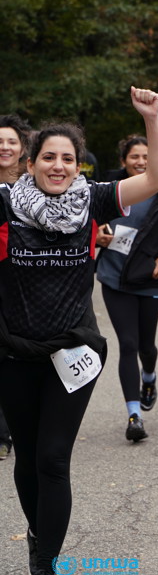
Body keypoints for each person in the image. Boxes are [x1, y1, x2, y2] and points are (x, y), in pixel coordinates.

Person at [0, 87, 158, 575]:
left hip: (73, 352)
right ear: (31, 162)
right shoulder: (5, 203)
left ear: (79, 165)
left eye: (67, 158)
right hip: (13, 353)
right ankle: (39, 534)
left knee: (52, 458)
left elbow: (156, 179)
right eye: (48, 156)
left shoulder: (92, 199)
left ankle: (44, 572)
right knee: (27, 459)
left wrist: (151, 119)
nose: (58, 165)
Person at [95, 136, 158, 442]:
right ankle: (134, 415)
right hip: (114, 278)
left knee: (146, 346)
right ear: (123, 160)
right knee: (127, 344)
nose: (140, 162)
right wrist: (96, 233)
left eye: (146, 157)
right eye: (134, 157)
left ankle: (149, 377)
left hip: (151, 278)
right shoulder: (107, 189)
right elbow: (87, 220)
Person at [0, 114, 32, 461]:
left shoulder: (32, 189)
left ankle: (9, 428)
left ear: (23, 149)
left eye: (11, 141)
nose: (4, 147)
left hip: (22, 281)